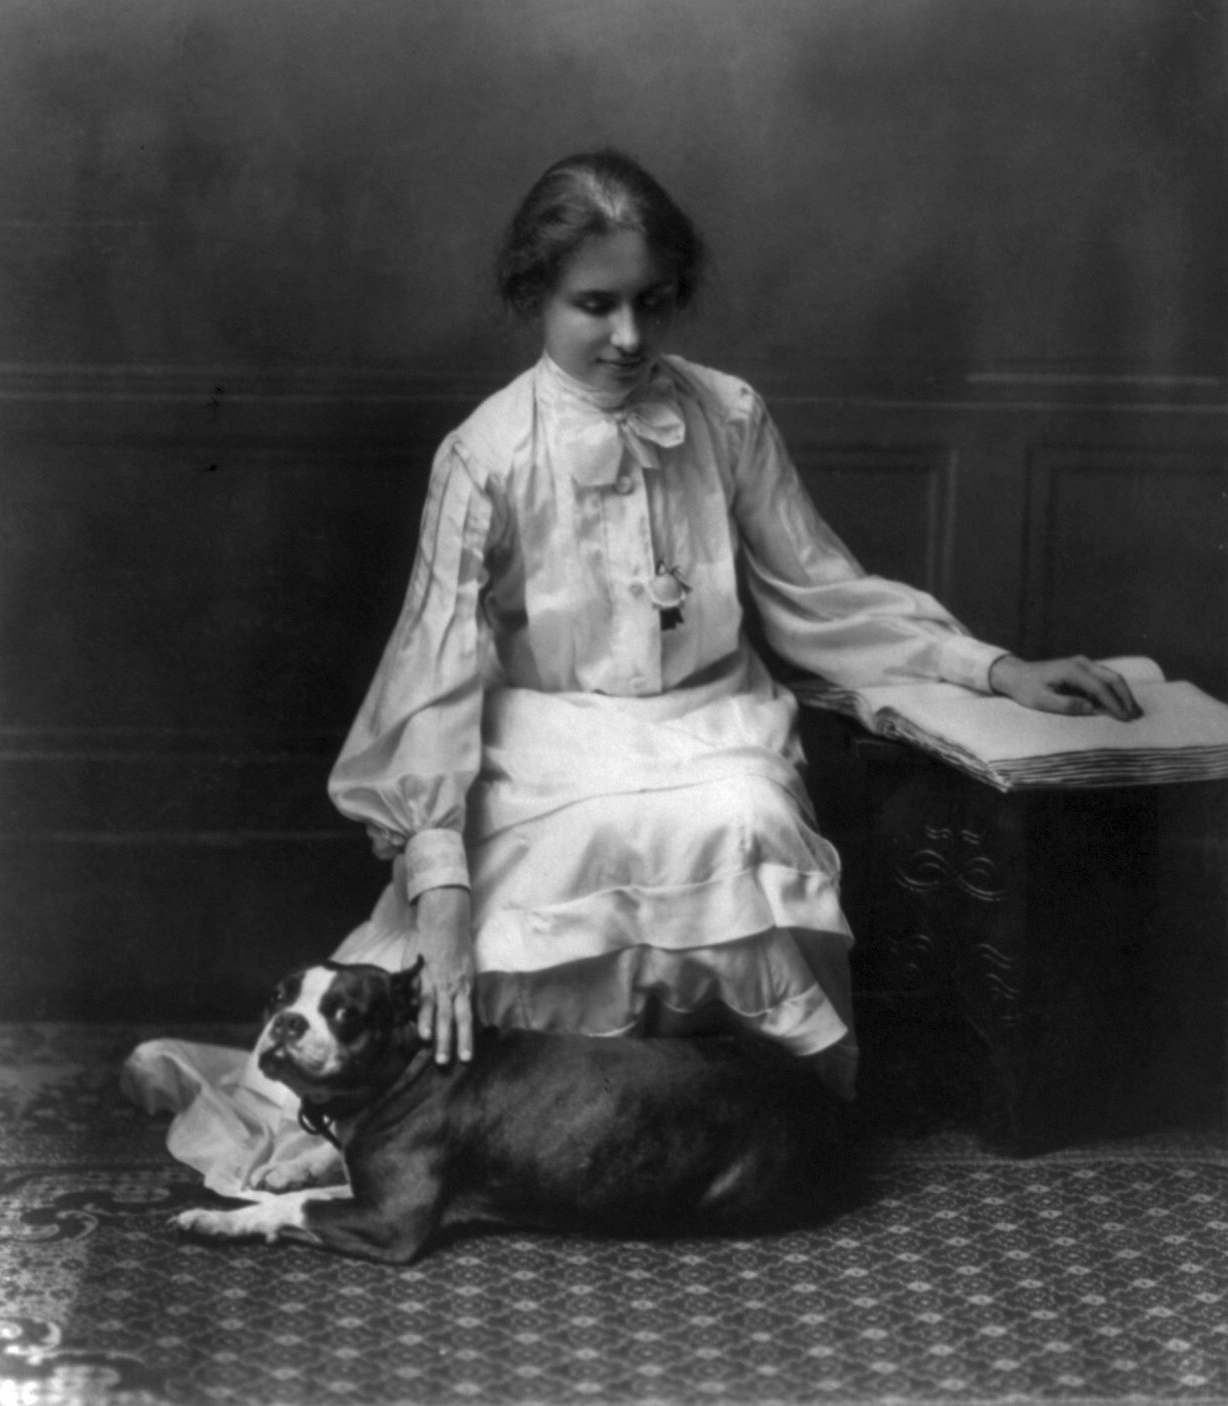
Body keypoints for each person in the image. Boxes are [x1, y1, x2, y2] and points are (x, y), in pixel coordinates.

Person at [123, 150, 1139, 1195]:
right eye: (593, 305)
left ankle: (726, 1125)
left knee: (742, 815)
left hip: (705, 717)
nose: (627, 337)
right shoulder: (485, 453)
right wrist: (440, 890)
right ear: (534, 296)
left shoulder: (726, 414)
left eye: (651, 304)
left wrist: (995, 665)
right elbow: (433, 676)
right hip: (542, 727)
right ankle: (481, 1118)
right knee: (560, 850)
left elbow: (820, 590)